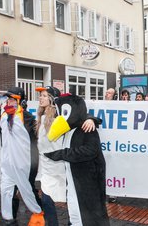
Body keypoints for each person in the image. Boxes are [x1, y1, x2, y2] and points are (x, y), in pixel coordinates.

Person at [35, 86, 98, 225]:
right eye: (41, 95)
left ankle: (72, 222)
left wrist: (91, 119)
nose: (41, 98)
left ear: (53, 100)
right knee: (47, 200)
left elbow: (78, 117)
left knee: (70, 201)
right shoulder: (40, 117)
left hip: (61, 168)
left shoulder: (60, 117)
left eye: (45, 95)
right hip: (47, 168)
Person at [44, 94, 110, 226]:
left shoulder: (87, 128)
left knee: (89, 218)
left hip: (87, 185)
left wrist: (62, 154)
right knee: (75, 215)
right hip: (73, 183)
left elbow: (90, 151)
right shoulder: (68, 130)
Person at [0, 87, 44, 225]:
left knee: (27, 188)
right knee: (7, 190)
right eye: (8, 99)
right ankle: (9, 218)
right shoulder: (3, 116)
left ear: (20, 101)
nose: (9, 101)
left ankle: (39, 212)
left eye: (13, 99)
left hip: (27, 162)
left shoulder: (28, 118)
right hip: (8, 162)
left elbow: (37, 137)